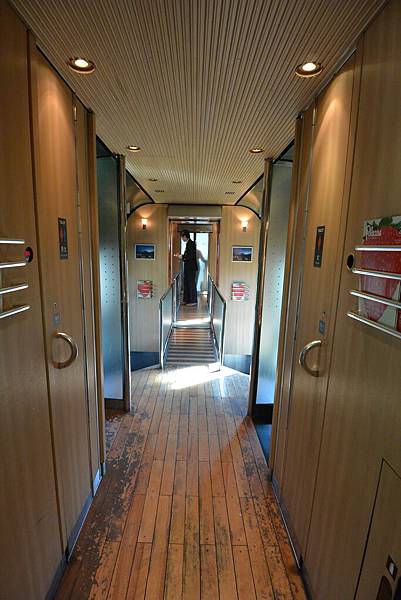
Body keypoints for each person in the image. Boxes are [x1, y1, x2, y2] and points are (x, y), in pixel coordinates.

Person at [178, 230, 198, 305]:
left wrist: (182, 257)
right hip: (188, 267)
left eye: (182, 237)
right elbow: (188, 255)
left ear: (185, 236)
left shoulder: (191, 243)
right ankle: (187, 300)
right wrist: (182, 257)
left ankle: (193, 301)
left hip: (191, 268)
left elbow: (191, 256)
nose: (182, 239)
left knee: (191, 284)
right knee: (186, 283)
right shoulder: (189, 243)